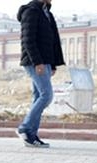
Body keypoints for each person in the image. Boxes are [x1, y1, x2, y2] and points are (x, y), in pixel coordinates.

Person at [16, 0, 64, 148]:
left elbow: (54, 41)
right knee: (46, 95)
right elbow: (27, 40)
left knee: (38, 96)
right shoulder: (30, 11)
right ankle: (25, 128)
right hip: (35, 62)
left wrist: (54, 63)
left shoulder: (47, 13)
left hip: (46, 62)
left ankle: (31, 135)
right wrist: (37, 62)